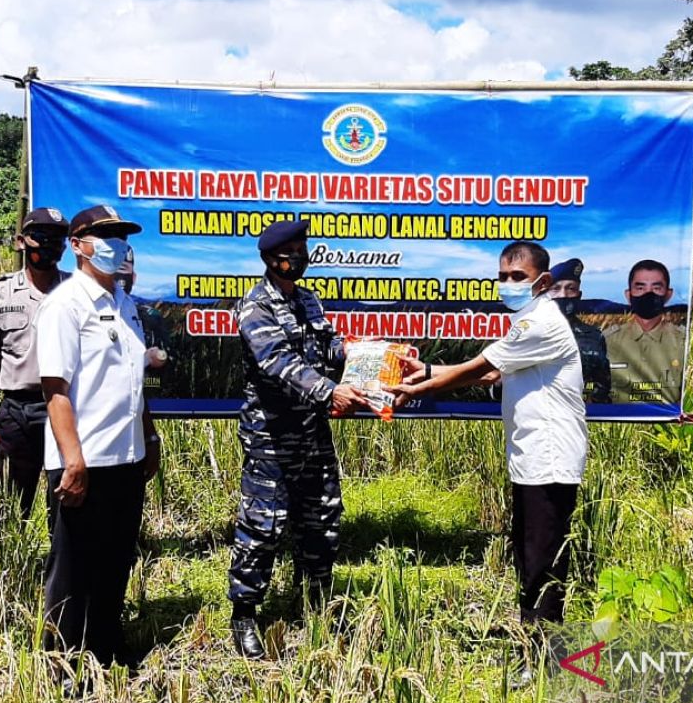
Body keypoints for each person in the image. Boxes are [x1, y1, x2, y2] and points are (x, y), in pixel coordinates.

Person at [391, 241, 587, 664]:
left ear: (543, 281)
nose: (508, 284)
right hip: (531, 458)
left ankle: (546, 661)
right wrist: (424, 371)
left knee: (542, 564)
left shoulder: (539, 323)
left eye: (518, 277)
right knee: (529, 557)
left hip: (549, 460)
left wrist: (417, 388)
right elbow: (496, 371)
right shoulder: (529, 322)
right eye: (503, 276)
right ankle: (533, 650)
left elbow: (479, 368)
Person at [227, 220, 369, 659]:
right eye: (292, 250)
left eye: (303, 249)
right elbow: (278, 364)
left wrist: (375, 355)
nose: (301, 257)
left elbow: (329, 351)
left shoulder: (308, 300)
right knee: (263, 527)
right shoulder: (255, 307)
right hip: (272, 437)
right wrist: (331, 392)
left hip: (313, 434)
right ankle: (245, 613)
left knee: (322, 519)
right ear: (271, 258)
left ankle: (316, 604)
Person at [37, 205, 160, 671]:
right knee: (74, 568)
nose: (116, 245)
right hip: (83, 461)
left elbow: (133, 381)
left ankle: (107, 651)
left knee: (115, 560)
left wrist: (148, 437)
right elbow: (55, 390)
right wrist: (72, 462)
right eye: (104, 236)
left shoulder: (125, 304)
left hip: (125, 457)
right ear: (78, 246)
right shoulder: (65, 306)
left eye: (121, 236)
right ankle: (64, 663)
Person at [0, 208, 69, 623]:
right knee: (7, 510)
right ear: (21, 241)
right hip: (17, 412)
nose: (46, 245)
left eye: (55, 237)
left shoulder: (76, 292)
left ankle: (59, 596)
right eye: (38, 236)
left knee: (64, 508)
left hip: (64, 412)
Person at [603, 260, 687, 405]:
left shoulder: (684, 342)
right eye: (640, 288)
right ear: (628, 295)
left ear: (668, 294)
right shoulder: (606, 341)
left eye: (656, 288)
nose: (648, 294)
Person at [547, 257, 611, 403]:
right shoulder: (529, 332)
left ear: (579, 295)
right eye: (556, 288)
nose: (563, 295)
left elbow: (602, 388)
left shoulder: (593, 337)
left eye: (570, 288)